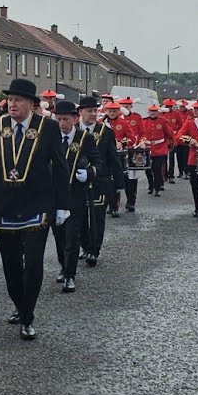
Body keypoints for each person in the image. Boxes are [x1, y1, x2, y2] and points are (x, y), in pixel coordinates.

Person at [0, 77, 70, 340]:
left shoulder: (47, 128)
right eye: (10, 100)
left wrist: (63, 205)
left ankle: (28, 315)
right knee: (11, 266)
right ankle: (19, 304)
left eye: (18, 100)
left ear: (31, 105)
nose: (12, 104)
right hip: (4, 206)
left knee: (33, 264)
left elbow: (59, 167)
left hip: (37, 204)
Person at [49, 101, 97, 293]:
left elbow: (98, 161)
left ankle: (70, 275)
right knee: (59, 235)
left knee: (72, 236)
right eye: (59, 119)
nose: (62, 124)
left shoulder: (84, 138)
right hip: (53, 195)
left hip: (75, 194)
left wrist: (90, 173)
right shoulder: (50, 137)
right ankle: (63, 266)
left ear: (75, 119)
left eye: (66, 119)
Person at [77, 96, 121, 267]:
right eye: (89, 111)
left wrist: (118, 183)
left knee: (97, 218)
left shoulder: (106, 131)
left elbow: (112, 157)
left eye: (95, 110)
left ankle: (94, 251)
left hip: (99, 180)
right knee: (79, 217)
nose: (93, 114)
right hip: (77, 181)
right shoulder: (73, 130)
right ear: (80, 112)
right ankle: (85, 246)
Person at [142, 106, 171, 196]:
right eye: (151, 111)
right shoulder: (144, 121)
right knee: (147, 169)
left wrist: (168, 146)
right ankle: (151, 185)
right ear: (148, 112)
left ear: (158, 112)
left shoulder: (163, 121)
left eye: (154, 111)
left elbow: (169, 134)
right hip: (147, 148)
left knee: (157, 169)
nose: (152, 113)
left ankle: (157, 188)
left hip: (160, 148)